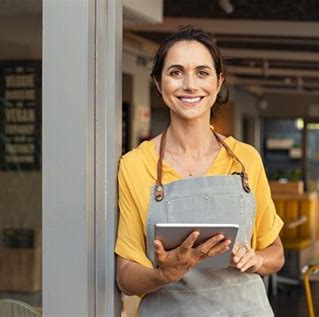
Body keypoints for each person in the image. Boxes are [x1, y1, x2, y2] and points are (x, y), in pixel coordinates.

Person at [115, 26, 284, 316]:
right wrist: (164, 274)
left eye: (202, 73)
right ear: (158, 83)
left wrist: (255, 259)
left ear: (218, 83)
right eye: (176, 72)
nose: (190, 85)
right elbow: (126, 275)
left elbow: (276, 253)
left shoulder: (245, 160)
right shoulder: (135, 165)